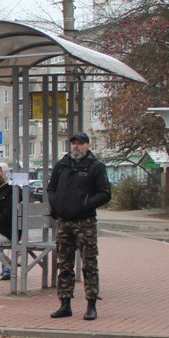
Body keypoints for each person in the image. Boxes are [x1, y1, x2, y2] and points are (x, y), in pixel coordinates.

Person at [46, 132, 112, 320]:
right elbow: (51, 188)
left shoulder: (95, 167)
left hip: (85, 223)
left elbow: (105, 193)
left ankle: (91, 305)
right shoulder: (62, 165)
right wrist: (56, 206)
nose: (76, 147)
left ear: (87, 145)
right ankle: (65, 304)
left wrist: (86, 204)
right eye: (73, 143)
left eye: (80, 143)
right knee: (64, 265)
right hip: (64, 222)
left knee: (89, 264)